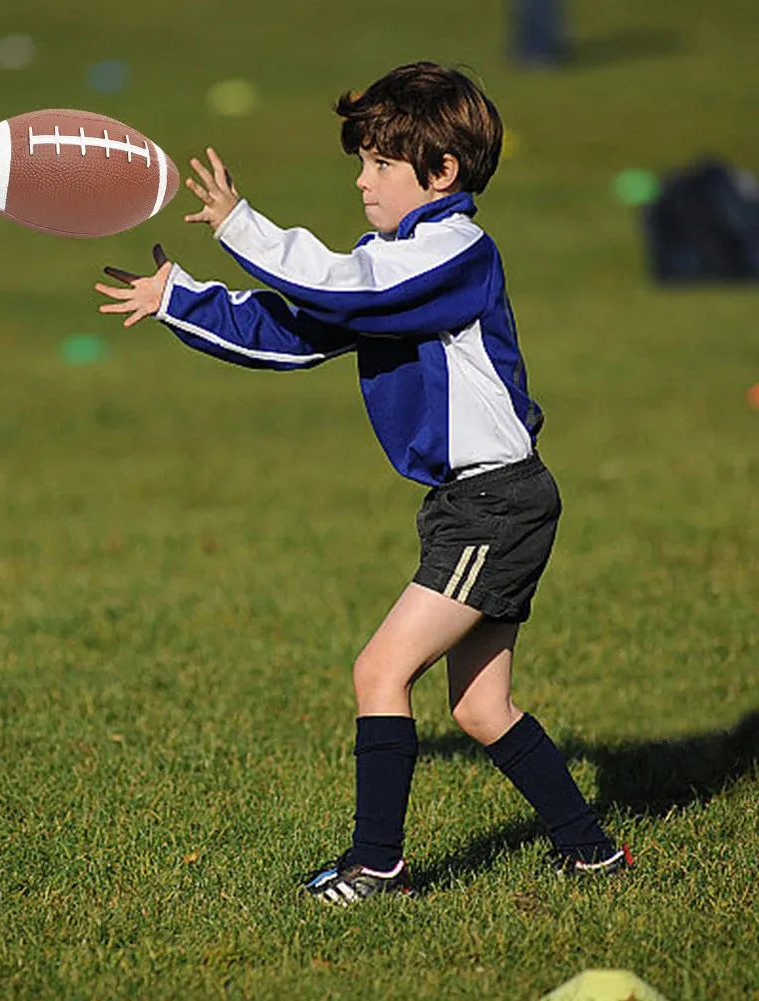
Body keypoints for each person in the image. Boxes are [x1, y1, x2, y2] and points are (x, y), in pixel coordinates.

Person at [96, 61, 630, 905]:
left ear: (441, 173)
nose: (361, 180)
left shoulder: (451, 252)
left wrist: (245, 226)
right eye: (363, 161)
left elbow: (342, 286)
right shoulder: (393, 268)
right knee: (482, 708)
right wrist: (180, 301)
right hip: (476, 502)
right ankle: (592, 854)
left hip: (494, 503)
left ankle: (377, 865)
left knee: (378, 672)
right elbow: (296, 330)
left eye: (380, 163)